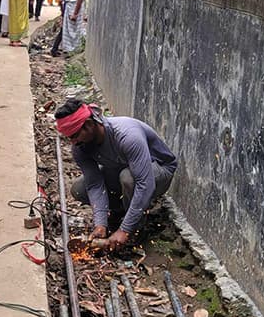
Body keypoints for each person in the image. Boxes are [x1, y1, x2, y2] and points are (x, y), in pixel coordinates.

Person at [55, 99, 178, 250]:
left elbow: (145, 184)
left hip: (158, 170)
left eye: (74, 136)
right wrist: (100, 223)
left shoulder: (127, 136)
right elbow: (94, 184)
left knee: (128, 178)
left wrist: (125, 230)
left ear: (88, 124)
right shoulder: (80, 147)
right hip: (122, 171)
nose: (73, 142)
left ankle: (136, 228)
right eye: (69, 138)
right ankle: (119, 213)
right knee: (79, 188)